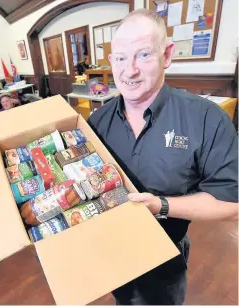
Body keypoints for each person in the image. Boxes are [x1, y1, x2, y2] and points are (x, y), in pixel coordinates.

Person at [87, 9, 238, 305]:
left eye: (143, 55)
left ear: (166, 55)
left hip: (165, 260)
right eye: (119, 58)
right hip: (112, 251)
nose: (129, 71)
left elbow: (232, 203)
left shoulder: (206, 119)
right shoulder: (96, 123)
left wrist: (161, 205)